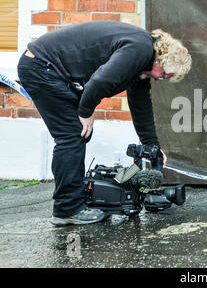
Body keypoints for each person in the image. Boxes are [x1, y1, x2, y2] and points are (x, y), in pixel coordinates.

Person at [17, 20, 192, 226]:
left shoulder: (142, 60)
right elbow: (100, 81)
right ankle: (67, 209)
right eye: (163, 74)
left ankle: (80, 198)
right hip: (42, 67)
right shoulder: (139, 49)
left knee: (80, 134)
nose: (160, 79)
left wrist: (152, 146)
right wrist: (86, 111)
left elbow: (141, 105)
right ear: (162, 60)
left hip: (50, 69)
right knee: (72, 134)